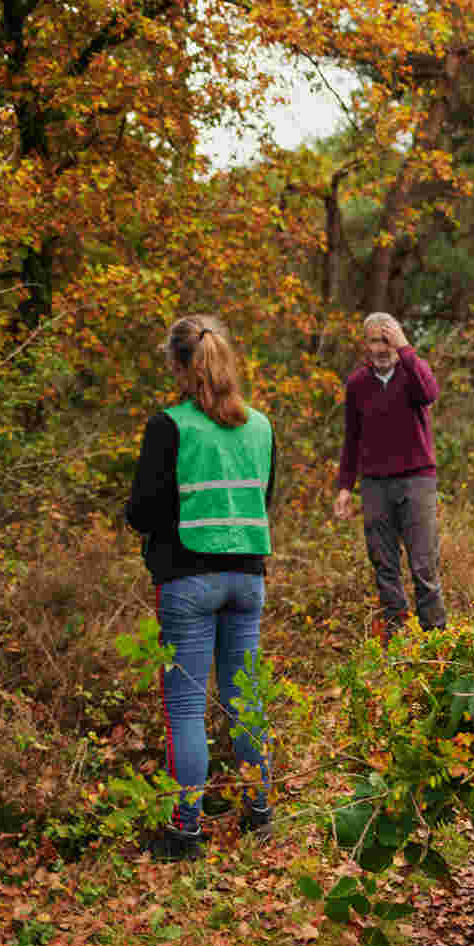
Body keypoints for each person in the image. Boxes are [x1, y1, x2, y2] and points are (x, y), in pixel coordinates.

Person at [126, 314, 276, 862]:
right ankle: (260, 812)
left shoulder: (170, 425)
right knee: (245, 700)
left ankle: (185, 832)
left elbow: (142, 510)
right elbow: (265, 496)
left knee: (186, 709)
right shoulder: (259, 425)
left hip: (188, 580)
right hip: (248, 578)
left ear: (177, 364)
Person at [334, 312, 446, 640]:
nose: (381, 347)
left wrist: (405, 348)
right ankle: (397, 638)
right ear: (365, 345)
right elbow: (351, 438)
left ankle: (436, 639)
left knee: (424, 565)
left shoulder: (412, 372)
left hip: (417, 480)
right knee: (384, 564)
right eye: (374, 340)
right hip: (375, 484)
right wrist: (345, 487)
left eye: (386, 339)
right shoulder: (357, 384)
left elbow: (430, 393)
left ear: (397, 340)